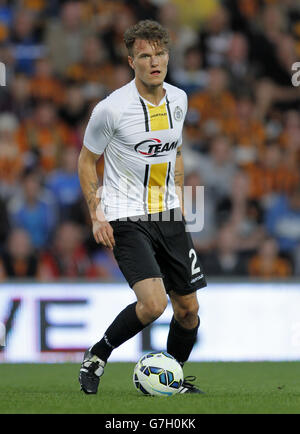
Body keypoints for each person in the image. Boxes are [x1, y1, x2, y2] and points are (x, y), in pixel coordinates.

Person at [78, 20, 207, 395]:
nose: (155, 62)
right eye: (145, 55)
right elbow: (86, 161)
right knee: (153, 305)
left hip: (167, 215)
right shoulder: (111, 109)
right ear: (130, 60)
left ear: (169, 55)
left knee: (188, 312)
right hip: (125, 215)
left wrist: (179, 200)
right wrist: (96, 213)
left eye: (160, 53)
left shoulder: (179, 99)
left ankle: (173, 378)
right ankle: (97, 356)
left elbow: (176, 150)